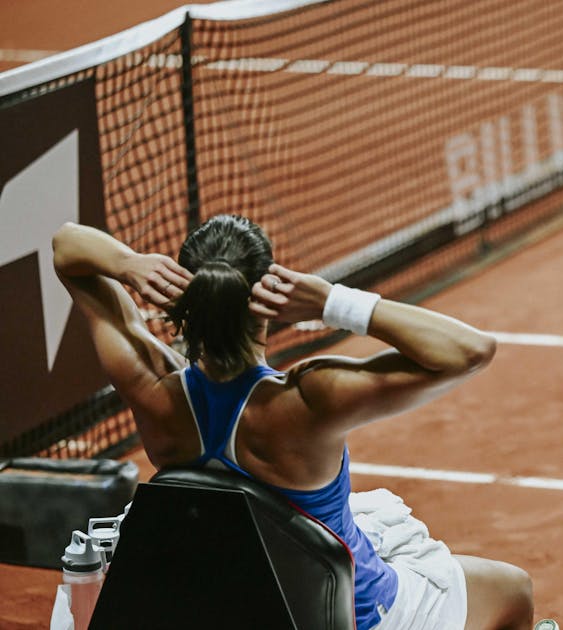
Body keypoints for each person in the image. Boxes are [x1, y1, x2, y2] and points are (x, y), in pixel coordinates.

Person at [52, 215, 534, 630]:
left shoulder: (150, 386)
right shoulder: (307, 401)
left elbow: (67, 245)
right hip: (340, 616)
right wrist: (332, 302)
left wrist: (127, 263)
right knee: (513, 588)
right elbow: (471, 350)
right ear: (267, 301)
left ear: (185, 303)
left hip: (227, 603)